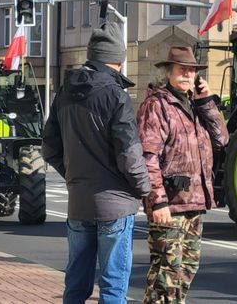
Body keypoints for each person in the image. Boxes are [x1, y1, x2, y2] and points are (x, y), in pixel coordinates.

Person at [42, 21, 151, 304]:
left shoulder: (64, 92)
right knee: (113, 287)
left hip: (78, 203)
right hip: (114, 205)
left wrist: (75, 176)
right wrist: (143, 188)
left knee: (76, 284)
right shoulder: (117, 96)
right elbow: (129, 154)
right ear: (119, 58)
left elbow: (50, 148)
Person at [137, 46, 229, 304]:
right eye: (182, 70)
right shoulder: (157, 105)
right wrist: (158, 201)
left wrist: (206, 101)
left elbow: (222, 138)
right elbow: (148, 157)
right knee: (166, 274)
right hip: (169, 204)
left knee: (186, 270)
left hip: (194, 201)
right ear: (169, 72)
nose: (188, 75)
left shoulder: (195, 105)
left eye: (192, 70)